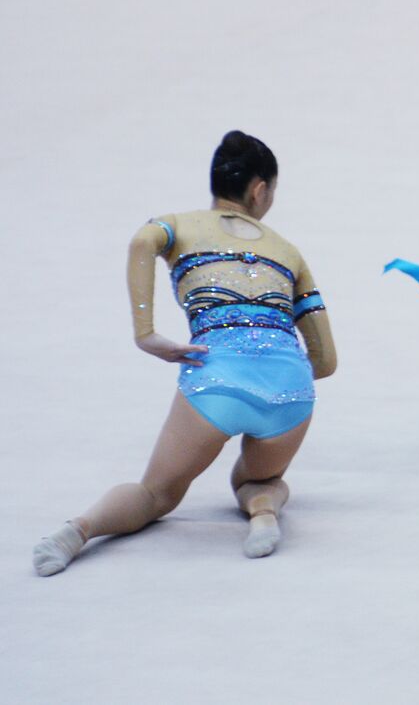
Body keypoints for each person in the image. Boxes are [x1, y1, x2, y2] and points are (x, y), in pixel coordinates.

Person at [33, 131, 336, 575]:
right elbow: (326, 360)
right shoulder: (288, 252)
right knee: (259, 479)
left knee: (157, 494)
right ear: (260, 189)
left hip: (215, 381)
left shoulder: (178, 226)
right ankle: (264, 513)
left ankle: (77, 531)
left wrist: (147, 334)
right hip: (291, 391)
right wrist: (278, 365)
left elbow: (142, 242)